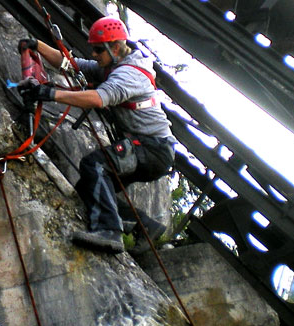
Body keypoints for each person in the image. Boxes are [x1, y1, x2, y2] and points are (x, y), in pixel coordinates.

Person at [18, 17, 176, 254]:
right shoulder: (112, 66)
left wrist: (50, 94)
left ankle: (109, 232)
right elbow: (70, 65)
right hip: (149, 148)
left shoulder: (131, 74)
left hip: (153, 148)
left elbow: (97, 98)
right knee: (88, 187)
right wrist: (36, 45)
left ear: (115, 48)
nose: (93, 54)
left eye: (98, 49)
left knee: (94, 165)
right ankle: (145, 225)